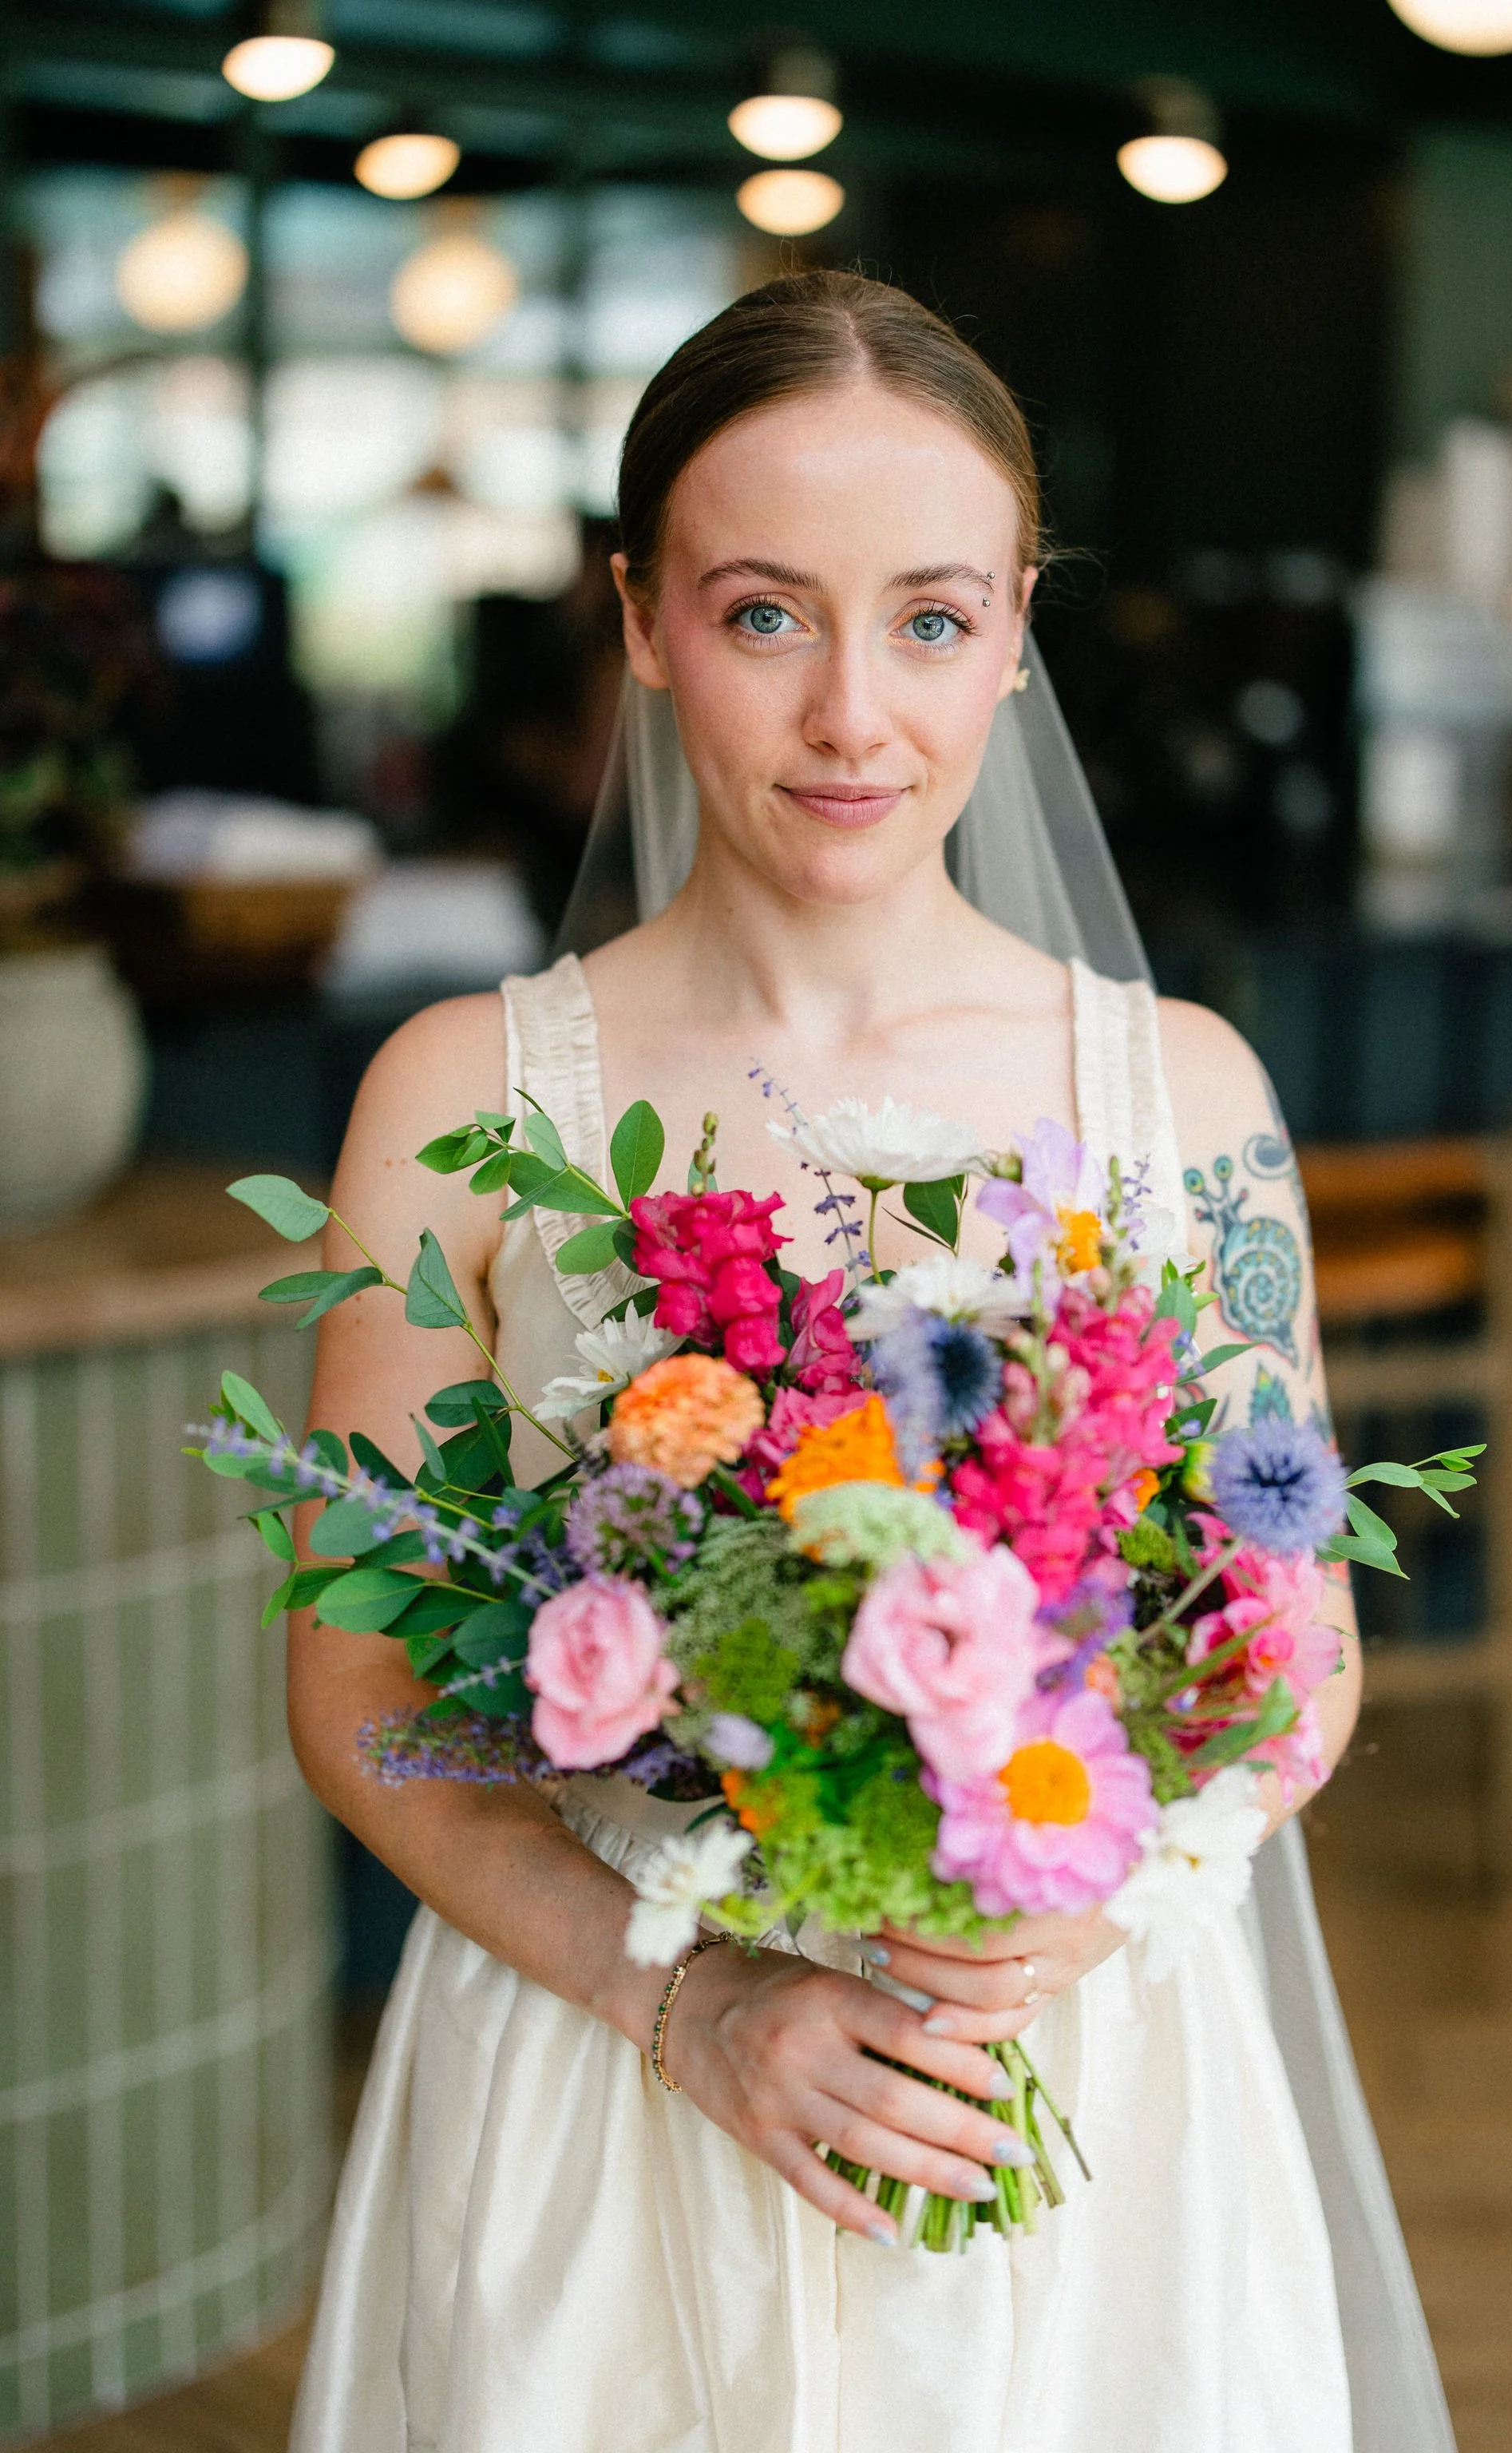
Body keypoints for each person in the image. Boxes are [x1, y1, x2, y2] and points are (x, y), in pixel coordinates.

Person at [289, 271, 1451, 2453]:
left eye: (927, 619)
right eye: (760, 615)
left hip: (1059, 2081)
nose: (851, 715)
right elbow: (360, 1705)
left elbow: (1295, 1665)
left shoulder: (1182, 1097)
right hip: (607, 2090)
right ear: (639, 621)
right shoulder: (459, 1096)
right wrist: (693, 1997)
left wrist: (1074, 1916)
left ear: (1018, 632)